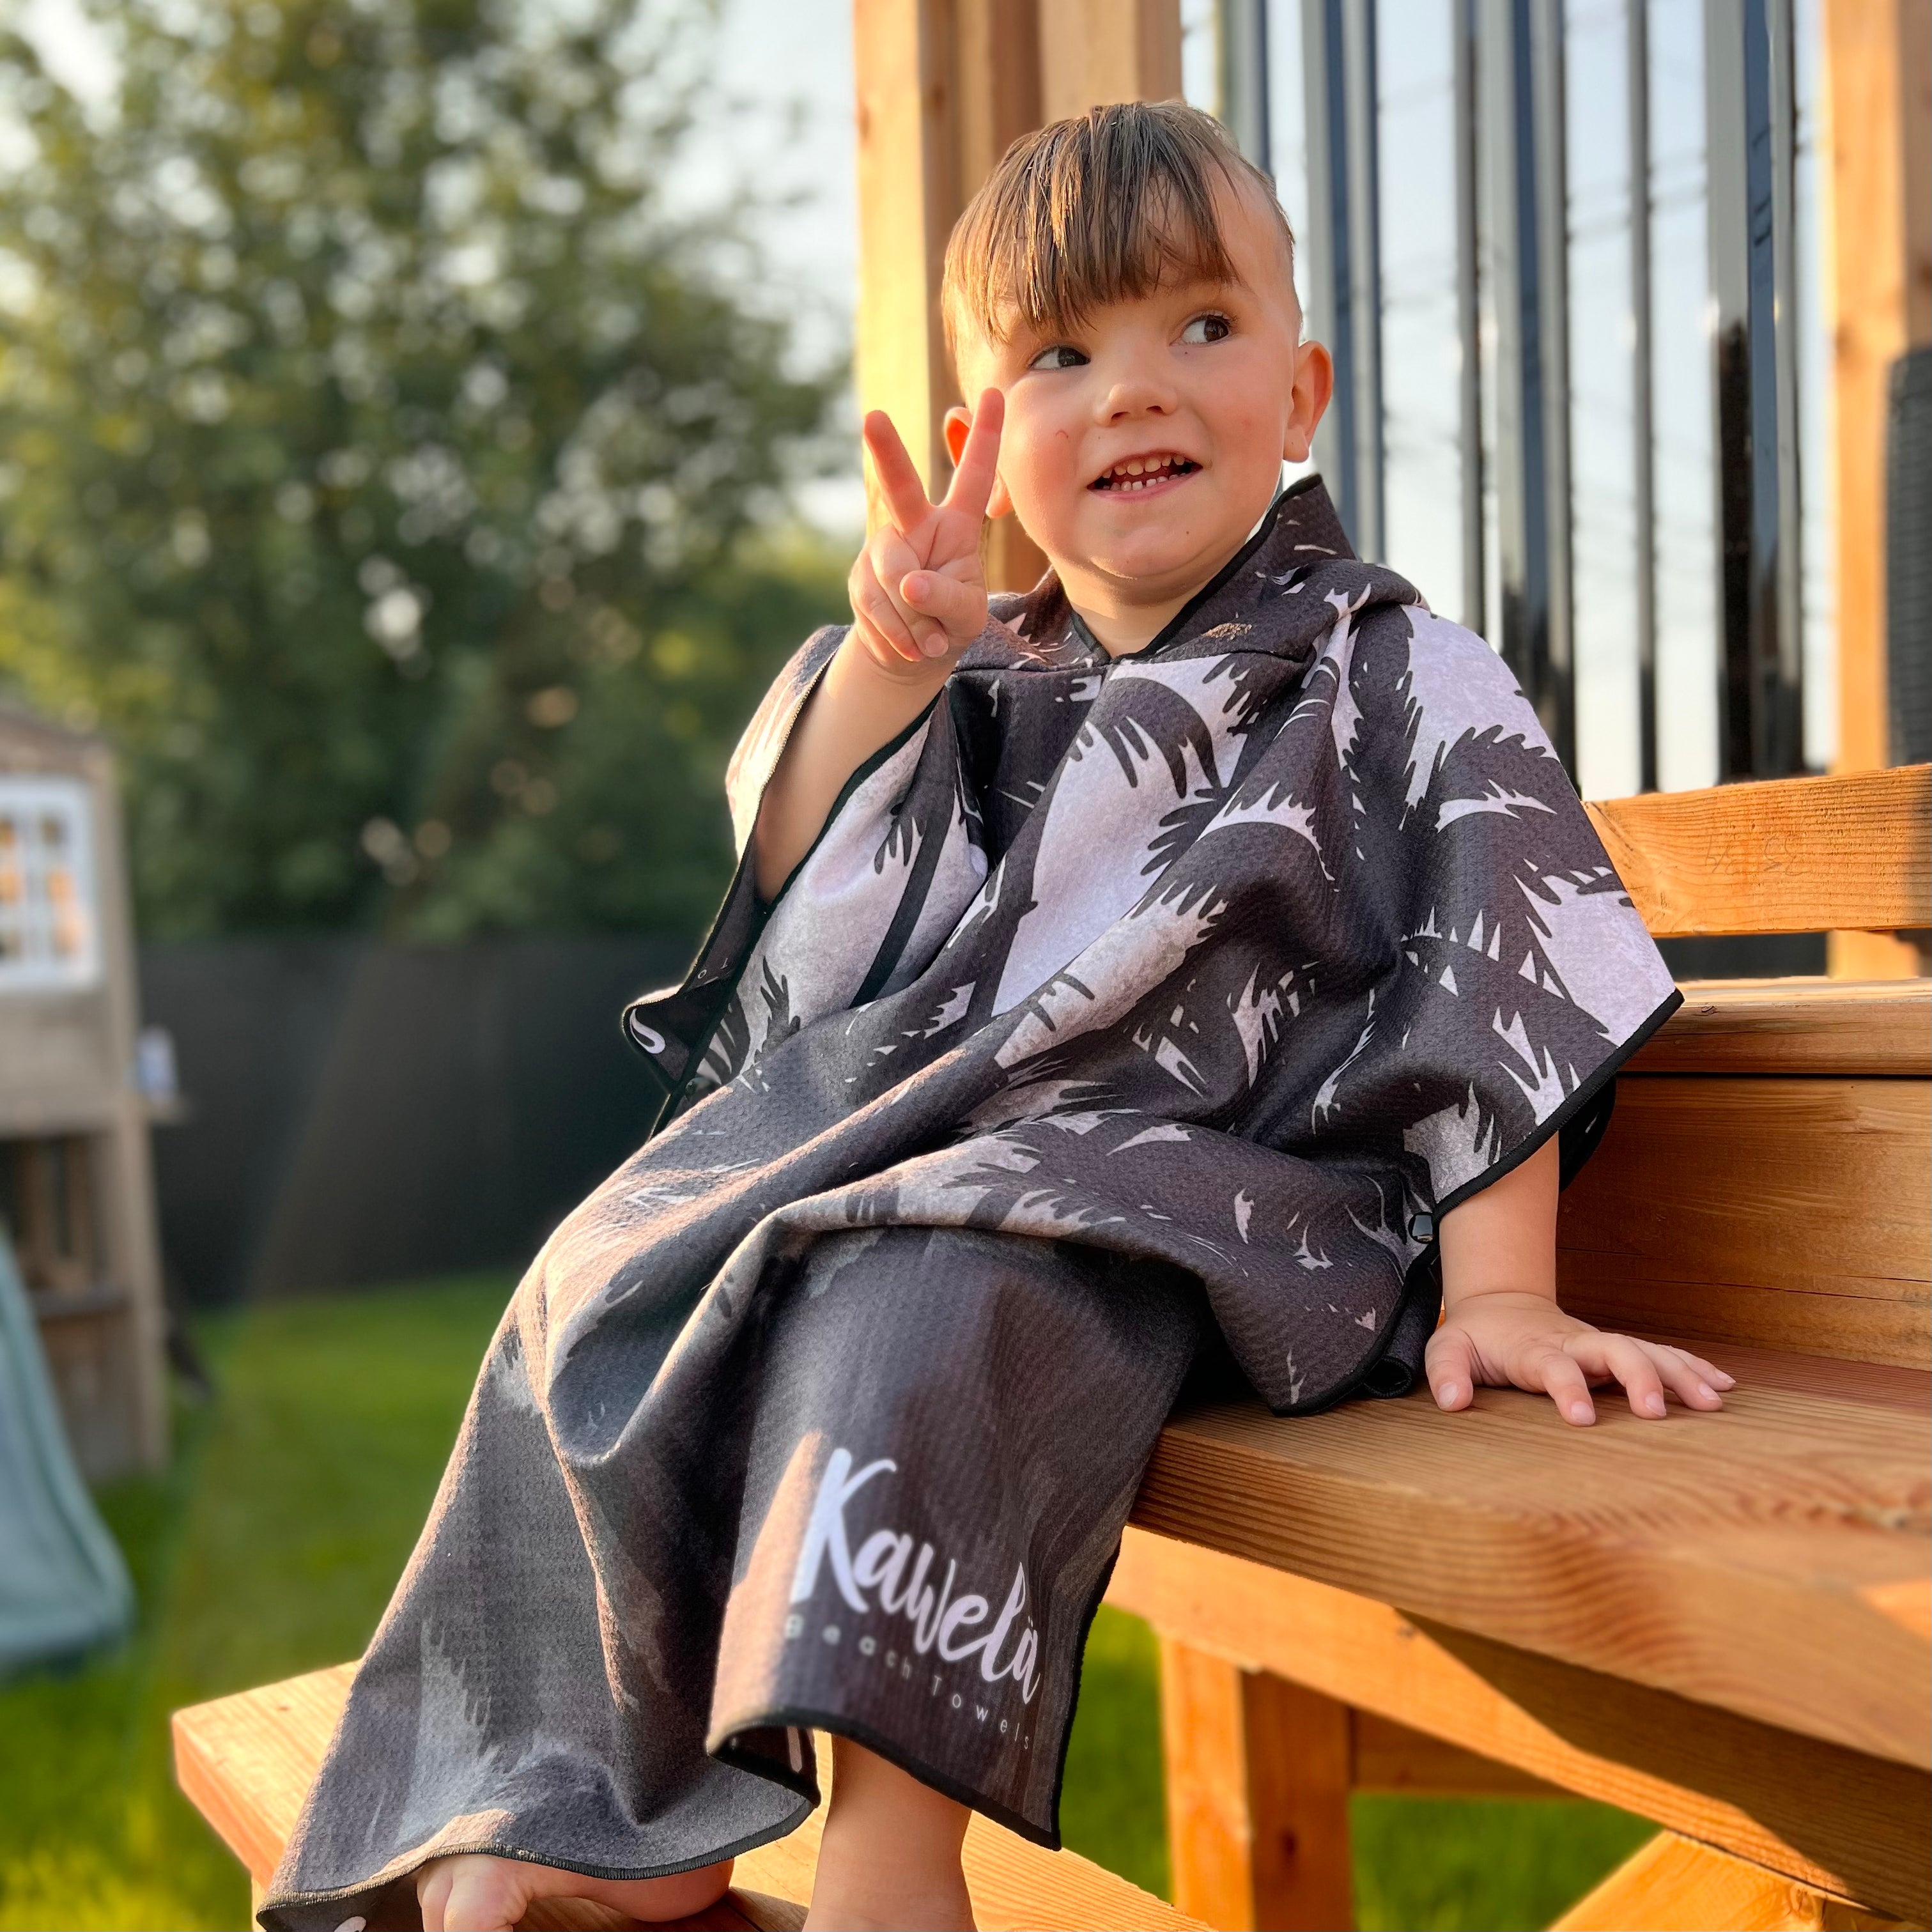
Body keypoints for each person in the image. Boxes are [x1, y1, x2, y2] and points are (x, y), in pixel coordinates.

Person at [263, 103, 1731, 1932]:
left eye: (1202, 325)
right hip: (969, 1160)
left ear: (1301, 394)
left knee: (917, 1292)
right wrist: (888, 667)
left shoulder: (1393, 665)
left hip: (1238, 1203)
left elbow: (1499, 953)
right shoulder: (986, 681)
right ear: (986, 438)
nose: (1135, 390)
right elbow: (824, 942)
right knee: (612, 1261)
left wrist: (1503, 1293)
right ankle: (598, 1800)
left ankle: (890, 1868)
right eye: (1061, 356)